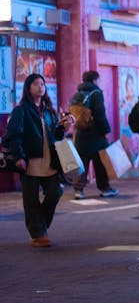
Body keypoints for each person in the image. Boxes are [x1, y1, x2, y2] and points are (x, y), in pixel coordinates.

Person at [4, 73, 74, 247]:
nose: (40, 87)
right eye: (36, 84)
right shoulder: (21, 110)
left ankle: (38, 225)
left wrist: (64, 127)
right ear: (28, 88)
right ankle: (38, 234)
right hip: (29, 162)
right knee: (31, 199)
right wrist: (18, 156)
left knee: (55, 192)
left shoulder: (49, 111)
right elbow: (13, 136)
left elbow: (55, 136)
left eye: (42, 84)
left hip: (49, 161)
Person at [70, 70, 118, 199]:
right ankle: (105, 188)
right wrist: (106, 131)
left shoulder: (77, 94)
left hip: (80, 134)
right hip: (95, 135)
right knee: (100, 164)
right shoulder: (96, 93)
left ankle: (78, 190)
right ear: (95, 80)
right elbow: (99, 115)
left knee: (82, 164)